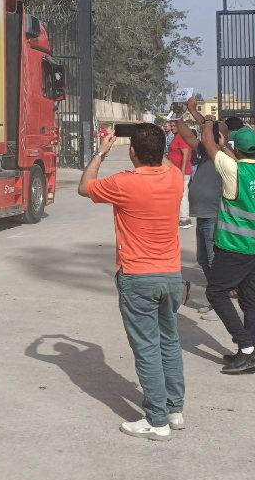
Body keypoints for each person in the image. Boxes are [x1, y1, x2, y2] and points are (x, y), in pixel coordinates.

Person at [78, 125, 185, 440]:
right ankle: (174, 409)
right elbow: (162, 161)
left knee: (147, 347)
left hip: (138, 276)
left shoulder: (124, 183)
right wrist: (155, 143)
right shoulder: (175, 177)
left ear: (132, 152)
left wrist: (100, 151)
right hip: (171, 274)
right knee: (169, 341)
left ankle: (156, 420)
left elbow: (85, 187)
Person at [176, 99, 255, 374]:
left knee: (216, 291)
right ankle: (250, 348)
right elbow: (225, 154)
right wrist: (223, 144)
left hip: (234, 246)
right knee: (249, 298)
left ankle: (245, 346)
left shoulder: (234, 171)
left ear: (235, 147)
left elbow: (208, 147)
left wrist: (207, 123)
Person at [186, 121, 226, 317]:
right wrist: (177, 117)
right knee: (203, 259)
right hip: (202, 216)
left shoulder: (221, 156)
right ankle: (217, 297)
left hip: (213, 215)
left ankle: (219, 301)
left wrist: (207, 123)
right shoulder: (205, 153)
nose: (204, 137)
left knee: (213, 261)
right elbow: (188, 137)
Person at [166, 105, 195, 229]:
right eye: (171, 126)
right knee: (179, 193)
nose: (172, 128)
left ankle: (184, 219)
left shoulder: (182, 137)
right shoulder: (176, 137)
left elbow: (186, 154)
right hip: (176, 170)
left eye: (174, 126)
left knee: (182, 194)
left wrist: (181, 172)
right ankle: (181, 217)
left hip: (182, 171)